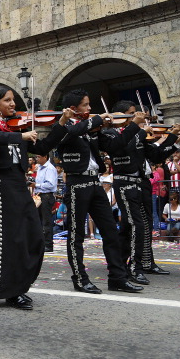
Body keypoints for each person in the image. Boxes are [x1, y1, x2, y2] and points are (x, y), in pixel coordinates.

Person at [0, 85, 69, 310]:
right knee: (9, 239)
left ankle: (20, 284)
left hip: (18, 184)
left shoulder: (15, 126)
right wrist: (19, 136)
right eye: (7, 100)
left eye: (13, 100)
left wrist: (62, 122)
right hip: (2, 185)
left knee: (33, 235)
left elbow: (44, 146)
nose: (13, 104)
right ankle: (10, 290)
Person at [55, 89, 142, 295]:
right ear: (74, 108)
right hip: (77, 184)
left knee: (111, 231)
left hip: (95, 182)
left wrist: (132, 126)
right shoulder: (63, 127)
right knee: (76, 235)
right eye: (86, 105)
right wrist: (95, 122)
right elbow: (71, 134)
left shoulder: (92, 128)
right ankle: (80, 278)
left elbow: (116, 148)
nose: (90, 108)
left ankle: (117, 278)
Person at [100, 100, 180, 283]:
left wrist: (172, 137)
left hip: (140, 184)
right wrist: (139, 129)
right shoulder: (110, 132)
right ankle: (134, 267)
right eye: (132, 112)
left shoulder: (137, 132)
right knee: (136, 225)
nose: (137, 115)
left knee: (134, 226)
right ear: (121, 115)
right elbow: (120, 148)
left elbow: (155, 155)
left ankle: (126, 264)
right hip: (125, 183)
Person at [31, 153, 57, 252]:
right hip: (39, 195)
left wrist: (36, 185)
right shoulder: (40, 168)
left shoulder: (50, 168)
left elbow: (50, 184)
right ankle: (40, 242)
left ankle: (48, 244)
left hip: (46, 195)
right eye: (36, 157)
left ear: (45, 157)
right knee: (38, 220)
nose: (37, 159)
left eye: (38, 156)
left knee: (46, 221)